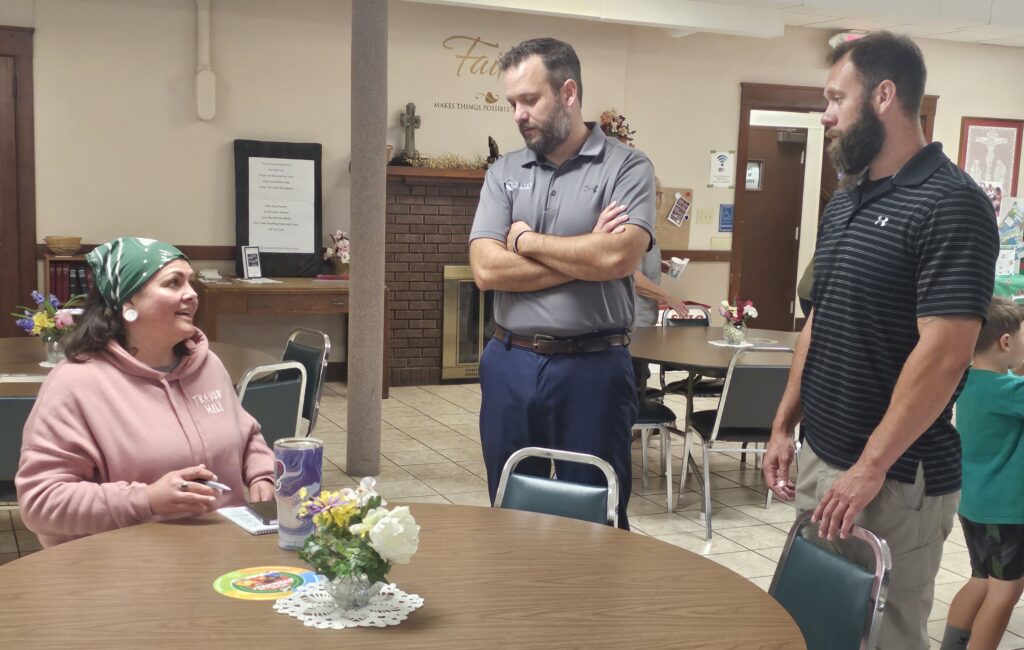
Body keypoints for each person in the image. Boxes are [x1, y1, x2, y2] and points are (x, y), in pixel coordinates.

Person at [762, 32, 998, 649]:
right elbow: (819, 320)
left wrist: (870, 467)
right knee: (813, 625)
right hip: (822, 458)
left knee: (882, 638)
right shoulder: (845, 202)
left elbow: (945, 354)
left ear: (884, 96)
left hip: (893, 480)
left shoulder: (954, 205)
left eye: (836, 98)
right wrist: (785, 424)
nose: (826, 114)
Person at [469, 37, 655, 529]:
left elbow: (619, 255)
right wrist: (585, 251)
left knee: (594, 514)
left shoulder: (627, 167)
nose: (518, 114)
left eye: (529, 100)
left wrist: (526, 241)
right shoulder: (504, 172)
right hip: (509, 363)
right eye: (512, 103)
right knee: (509, 511)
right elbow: (486, 270)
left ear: (568, 93)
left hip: (593, 367)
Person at [16, 237, 275, 547]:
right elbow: (41, 502)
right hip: (124, 564)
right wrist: (147, 500)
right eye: (173, 283)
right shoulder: (75, 383)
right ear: (128, 303)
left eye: (190, 282)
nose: (192, 294)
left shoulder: (208, 366)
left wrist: (262, 474)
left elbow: (246, 435)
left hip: (225, 553)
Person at [942, 298, 1024, 650]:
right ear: (1006, 342)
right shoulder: (1010, 392)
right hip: (1005, 511)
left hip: (974, 504)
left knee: (980, 579)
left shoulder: (969, 381)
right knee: (1005, 591)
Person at [632, 177, 690, 396]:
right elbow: (631, 276)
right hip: (633, 320)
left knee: (641, 375)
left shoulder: (649, 225)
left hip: (646, 318)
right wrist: (668, 296)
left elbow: (640, 263)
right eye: (658, 194)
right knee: (634, 378)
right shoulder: (636, 225)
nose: (660, 200)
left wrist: (660, 265)